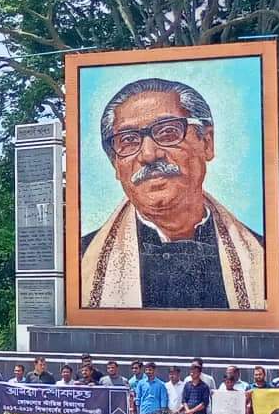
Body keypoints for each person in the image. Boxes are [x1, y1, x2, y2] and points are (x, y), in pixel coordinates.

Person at [77, 78, 267, 309]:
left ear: (207, 143)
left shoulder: (262, 257)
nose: (148, 155)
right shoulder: (81, 261)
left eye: (167, 133)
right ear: (115, 164)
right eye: (128, 140)